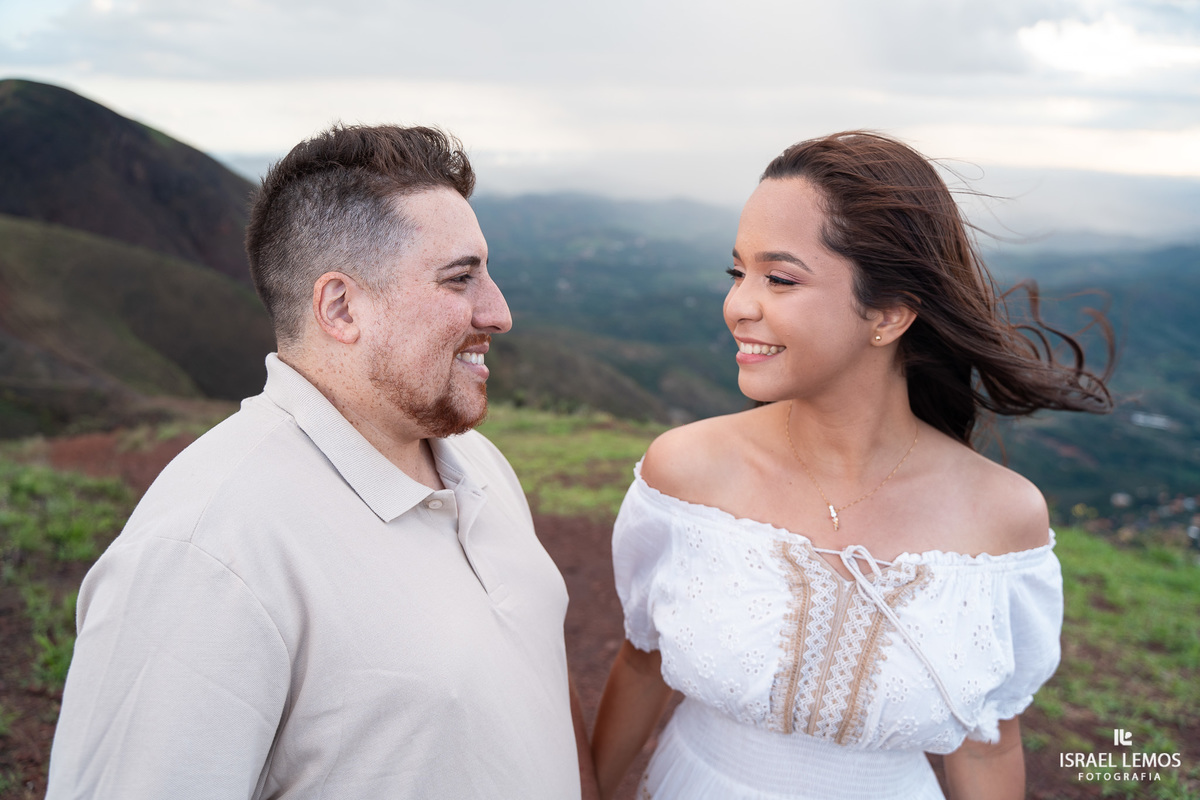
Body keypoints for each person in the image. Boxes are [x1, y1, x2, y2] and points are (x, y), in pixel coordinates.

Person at [46, 124, 594, 799]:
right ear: (340, 307)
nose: (499, 311)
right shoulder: (207, 553)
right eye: (461, 279)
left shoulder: (477, 463)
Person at [591, 131, 1112, 800]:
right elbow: (641, 664)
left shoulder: (1002, 520)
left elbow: (988, 745)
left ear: (890, 314)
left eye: (779, 278)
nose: (738, 304)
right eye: (738, 272)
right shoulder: (685, 475)